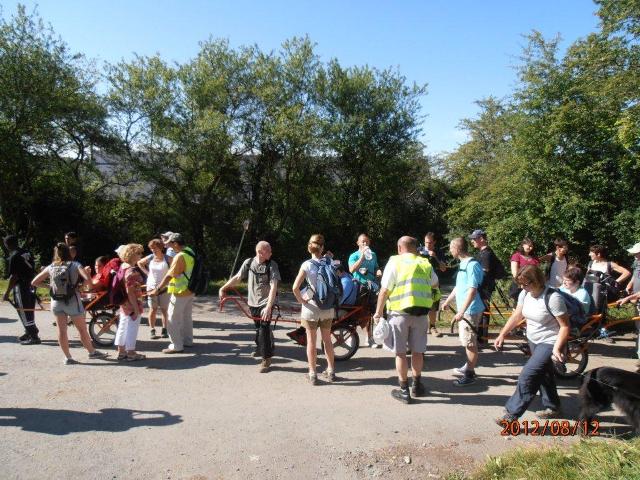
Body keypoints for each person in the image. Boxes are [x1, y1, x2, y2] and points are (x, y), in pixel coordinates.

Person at [494, 265, 570, 422]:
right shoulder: (525, 294)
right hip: (533, 340)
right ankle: (554, 407)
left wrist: (557, 348)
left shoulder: (553, 298)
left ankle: (511, 415)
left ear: (536, 281)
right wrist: (502, 334)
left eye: (525, 284)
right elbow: (516, 316)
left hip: (549, 342)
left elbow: (565, 326)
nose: (522, 287)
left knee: (528, 375)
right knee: (544, 375)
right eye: (520, 284)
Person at [373, 236, 437, 403]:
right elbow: (435, 284)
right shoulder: (425, 263)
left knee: (400, 353)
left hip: (399, 314)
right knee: (418, 351)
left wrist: (378, 313)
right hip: (421, 314)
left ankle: (404, 391)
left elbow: (385, 290)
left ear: (399, 248)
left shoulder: (395, 262)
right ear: (416, 248)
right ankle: (417, 385)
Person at [31, 243, 108, 364]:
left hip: (56, 302)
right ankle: (92, 352)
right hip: (72, 301)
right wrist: (80, 287)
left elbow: (34, 282)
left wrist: (49, 286)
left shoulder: (51, 266)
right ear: (69, 252)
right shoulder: (75, 264)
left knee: (62, 331)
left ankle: (68, 357)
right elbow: (88, 280)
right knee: (82, 329)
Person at [219, 241, 281, 373]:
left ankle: (266, 358)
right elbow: (237, 277)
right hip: (253, 302)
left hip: (266, 302)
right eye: (268, 251)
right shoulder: (248, 263)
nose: (271, 253)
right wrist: (223, 287)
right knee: (258, 327)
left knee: (264, 328)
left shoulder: (272, 265)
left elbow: (274, 287)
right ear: (260, 252)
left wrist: (269, 306)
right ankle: (261, 347)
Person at [292, 234, 337, 385]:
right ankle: (331, 371)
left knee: (311, 341)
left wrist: (302, 301)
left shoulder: (306, 265)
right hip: (328, 307)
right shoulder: (330, 262)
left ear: (309, 246)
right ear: (322, 247)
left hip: (311, 307)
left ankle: (312, 373)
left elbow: (295, 288)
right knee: (327, 340)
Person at [441, 237, 485, 386]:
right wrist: (447, 301)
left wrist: (461, 311)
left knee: (470, 342)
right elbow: (459, 286)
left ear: (458, 249)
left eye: (451, 248)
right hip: (466, 310)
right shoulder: (463, 264)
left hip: (471, 310)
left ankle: (470, 375)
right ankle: (468, 367)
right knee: (467, 341)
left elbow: (472, 291)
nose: (450, 251)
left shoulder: (472, 265)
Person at [149, 233, 194, 354]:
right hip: (191, 289)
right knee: (186, 317)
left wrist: (157, 289)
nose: (168, 245)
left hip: (180, 291)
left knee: (171, 318)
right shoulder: (190, 251)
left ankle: (176, 346)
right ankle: (188, 341)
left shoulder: (179, 256)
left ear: (175, 243)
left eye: (170, 243)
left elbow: (170, 275)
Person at [586, 244, 631, 343]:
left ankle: (603, 333)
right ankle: (593, 332)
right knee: (592, 312)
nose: (589, 254)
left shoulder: (609, 264)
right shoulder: (590, 263)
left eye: (591, 252)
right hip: (591, 291)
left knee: (602, 313)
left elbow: (626, 273)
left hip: (603, 293)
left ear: (598, 254)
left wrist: (615, 282)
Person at [1, 235, 40, 344]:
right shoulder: (26, 252)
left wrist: (7, 292)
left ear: (7, 244)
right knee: (29, 309)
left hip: (21, 286)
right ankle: (30, 330)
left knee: (23, 310)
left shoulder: (14, 256)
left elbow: (14, 276)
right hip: (31, 284)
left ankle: (34, 336)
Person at [469, 229, 505, 346]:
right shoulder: (483, 252)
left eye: (474, 239)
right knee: (482, 311)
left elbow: (485, 273)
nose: (472, 241)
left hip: (484, 288)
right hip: (482, 288)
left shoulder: (486, 254)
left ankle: (482, 339)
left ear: (482, 239)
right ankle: (481, 338)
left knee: (483, 312)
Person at [348, 233, 382, 348]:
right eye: (362, 241)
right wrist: (362, 256)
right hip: (358, 286)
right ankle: (350, 336)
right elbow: (351, 269)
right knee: (357, 312)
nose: (365, 243)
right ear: (358, 243)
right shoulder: (354, 255)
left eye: (366, 241)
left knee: (371, 313)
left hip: (372, 286)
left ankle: (369, 338)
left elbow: (376, 267)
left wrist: (378, 271)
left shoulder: (373, 255)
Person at [113, 244, 146, 361]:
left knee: (123, 325)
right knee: (132, 326)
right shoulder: (131, 271)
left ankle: (121, 352)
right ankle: (131, 353)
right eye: (139, 253)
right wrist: (136, 308)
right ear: (132, 255)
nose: (141, 255)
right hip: (132, 302)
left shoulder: (123, 266)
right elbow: (130, 291)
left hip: (123, 302)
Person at [137, 239, 171, 339]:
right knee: (153, 309)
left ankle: (165, 329)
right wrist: (147, 273)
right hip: (151, 287)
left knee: (165, 310)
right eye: (151, 248)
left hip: (165, 287)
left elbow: (175, 270)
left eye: (155, 248)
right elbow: (139, 263)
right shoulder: (151, 257)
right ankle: (152, 330)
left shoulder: (168, 258)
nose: (153, 250)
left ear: (161, 247)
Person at [419, 232, 447, 337]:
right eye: (426, 242)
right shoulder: (419, 251)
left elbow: (443, 269)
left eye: (430, 243)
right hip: (420, 284)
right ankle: (421, 327)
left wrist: (435, 257)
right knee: (420, 305)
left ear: (434, 242)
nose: (428, 245)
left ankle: (432, 327)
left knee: (433, 306)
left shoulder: (439, 252)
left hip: (434, 284)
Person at [617, 242, 640, 361]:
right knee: (638, 327)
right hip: (636, 300)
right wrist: (630, 284)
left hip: (637, 298)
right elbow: (635, 275)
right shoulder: (637, 263)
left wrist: (628, 298)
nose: (635, 256)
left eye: (637, 254)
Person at [509, 238, 539, 304]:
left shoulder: (534, 258)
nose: (530, 248)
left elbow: (537, 272)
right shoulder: (516, 256)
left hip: (532, 285)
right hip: (520, 285)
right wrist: (521, 283)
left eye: (532, 246)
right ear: (523, 245)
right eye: (529, 245)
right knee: (518, 305)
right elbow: (514, 273)